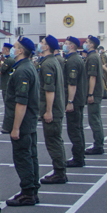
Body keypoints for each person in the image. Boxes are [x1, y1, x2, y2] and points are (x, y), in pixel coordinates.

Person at [3, 37, 41, 206]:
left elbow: (21, 102)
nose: (12, 49)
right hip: (29, 121)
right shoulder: (26, 67)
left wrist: (16, 127)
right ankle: (31, 189)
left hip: (23, 123)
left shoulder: (22, 71)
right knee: (30, 155)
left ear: (20, 51)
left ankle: (28, 192)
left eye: (15, 47)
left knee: (23, 157)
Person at [37, 36, 67, 185]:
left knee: (53, 141)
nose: (40, 45)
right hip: (57, 108)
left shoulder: (48, 64)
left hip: (52, 109)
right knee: (56, 140)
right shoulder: (53, 61)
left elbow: (49, 90)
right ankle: (60, 170)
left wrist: (48, 111)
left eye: (42, 43)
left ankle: (60, 172)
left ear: (47, 47)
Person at [63, 36, 87, 168]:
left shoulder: (72, 61)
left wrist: (70, 101)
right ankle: (80, 155)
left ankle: (78, 158)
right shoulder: (76, 58)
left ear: (72, 46)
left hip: (75, 100)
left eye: (66, 43)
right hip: (79, 99)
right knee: (78, 128)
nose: (64, 45)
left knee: (74, 130)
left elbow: (72, 83)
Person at [84, 36, 105, 156]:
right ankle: (99, 144)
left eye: (87, 42)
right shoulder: (94, 56)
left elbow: (92, 76)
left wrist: (90, 93)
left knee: (94, 120)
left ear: (91, 45)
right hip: (96, 92)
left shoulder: (92, 57)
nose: (85, 44)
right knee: (96, 119)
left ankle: (98, 146)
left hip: (94, 93)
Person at [0, 43, 16, 125]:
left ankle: (9, 124)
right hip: (8, 85)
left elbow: (0, 71)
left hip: (6, 85)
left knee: (8, 106)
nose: (2, 51)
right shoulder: (9, 59)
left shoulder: (9, 60)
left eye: (2, 49)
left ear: (7, 50)